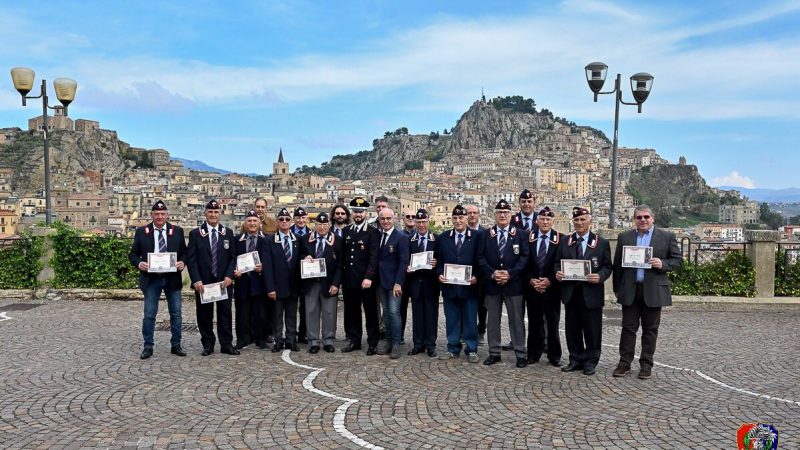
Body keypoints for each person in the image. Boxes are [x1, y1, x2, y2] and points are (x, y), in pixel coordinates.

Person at [612, 205, 682, 379]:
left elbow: (678, 262)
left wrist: (663, 264)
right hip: (630, 289)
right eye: (639, 217)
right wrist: (617, 290)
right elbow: (617, 266)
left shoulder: (666, 237)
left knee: (650, 330)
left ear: (653, 218)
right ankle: (624, 363)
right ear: (634, 220)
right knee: (628, 329)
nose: (642, 220)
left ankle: (646, 365)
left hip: (654, 290)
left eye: (646, 217)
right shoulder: (625, 237)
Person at [555, 206, 613, 376]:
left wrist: (600, 276)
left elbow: (607, 267)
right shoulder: (565, 241)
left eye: (582, 219)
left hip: (591, 292)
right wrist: (557, 273)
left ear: (590, 221)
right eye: (576, 220)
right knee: (572, 329)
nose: (579, 223)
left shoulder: (601, 243)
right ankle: (575, 359)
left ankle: (590, 361)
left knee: (592, 330)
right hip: (571, 292)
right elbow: (557, 263)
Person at [128, 200, 187, 360]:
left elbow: (184, 253)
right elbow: (133, 254)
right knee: (149, 314)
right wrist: (139, 263)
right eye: (157, 214)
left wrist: (183, 262)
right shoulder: (142, 231)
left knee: (176, 314)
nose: (160, 217)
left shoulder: (178, 231)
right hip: (151, 279)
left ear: (167, 215)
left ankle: (176, 345)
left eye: (162, 214)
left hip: (172, 278)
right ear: (152, 215)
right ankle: (148, 346)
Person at [477, 199, 530, 368]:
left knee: (516, 321)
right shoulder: (486, 235)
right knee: (492, 320)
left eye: (505, 212)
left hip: (513, 285)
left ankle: (520, 353)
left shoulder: (521, 234)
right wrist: (492, 273)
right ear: (494, 215)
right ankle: (494, 352)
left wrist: (510, 273)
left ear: (510, 215)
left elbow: (525, 258)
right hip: (492, 285)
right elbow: (480, 257)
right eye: (499, 212)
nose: (502, 215)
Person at [186, 200, 238, 356]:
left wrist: (229, 276)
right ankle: (208, 344)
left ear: (220, 214)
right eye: (210, 212)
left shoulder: (227, 233)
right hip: (204, 282)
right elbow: (191, 259)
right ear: (205, 213)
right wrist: (196, 280)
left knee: (225, 313)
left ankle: (226, 344)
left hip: (224, 282)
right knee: (204, 314)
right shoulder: (196, 234)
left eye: (216, 212)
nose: (213, 215)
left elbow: (233, 258)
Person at [436, 205, 482, 363]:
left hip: (469, 287)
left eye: (461, 218)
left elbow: (480, 260)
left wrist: (477, 277)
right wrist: (439, 274)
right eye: (455, 218)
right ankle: (452, 347)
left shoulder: (477, 237)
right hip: (450, 287)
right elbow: (439, 261)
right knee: (452, 319)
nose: (458, 221)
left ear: (466, 218)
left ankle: (471, 349)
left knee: (470, 320)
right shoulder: (443, 237)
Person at [340, 197, 381, 356]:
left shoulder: (373, 232)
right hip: (350, 279)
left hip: (366, 280)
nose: (358, 214)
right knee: (352, 311)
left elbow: (373, 257)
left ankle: (372, 342)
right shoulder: (346, 231)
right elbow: (344, 256)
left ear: (366, 213)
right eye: (355, 211)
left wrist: (369, 277)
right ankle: (355, 341)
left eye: (361, 211)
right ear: (352, 212)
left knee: (370, 312)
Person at [525, 206, 564, 366]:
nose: (545, 222)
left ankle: (554, 356)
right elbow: (523, 263)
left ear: (553, 221)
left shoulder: (561, 239)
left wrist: (549, 280)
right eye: (542, 219)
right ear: (537, 221)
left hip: (552, 289)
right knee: (534, 323)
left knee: (553, 324)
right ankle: (533, 354)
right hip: (533, 287)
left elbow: (561, 264)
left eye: (548, 219)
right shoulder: (529, 238)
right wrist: (531, 280)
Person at [299, 212, 342, 353]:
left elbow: (341, 265)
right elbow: (299, 255)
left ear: (329, 225)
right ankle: (313, 341)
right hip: (311, 282)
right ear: (314, 225)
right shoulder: (305, 239)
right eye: (319, 224)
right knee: (311, 311)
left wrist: (336, 284)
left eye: (325, 224)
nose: (322, 227)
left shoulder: (337, 240)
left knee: (329, 312)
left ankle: (328, 340)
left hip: (329, 283)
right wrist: (305, 257)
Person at [263, 208, 302, 353]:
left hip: (293, 285)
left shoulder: (297, 239)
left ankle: (291, 340)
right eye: (281, 219)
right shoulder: (269, 241)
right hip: (277, 286)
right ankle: (278, 341)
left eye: (287, 219)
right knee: (277, 316)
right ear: (277, 222)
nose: (284, 222)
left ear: (291, 222)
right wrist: (270, 288)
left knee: (292, 315)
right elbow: (267, 267)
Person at [375, 207, 410, 359]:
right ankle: (388, 340)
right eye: (383, 219)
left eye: (388, 218)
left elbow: (403, 262)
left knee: (395, 313)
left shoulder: (401, 237)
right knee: (387, 313)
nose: (386, 221)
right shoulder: (377, 236)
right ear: (379, 220)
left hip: (394, 282)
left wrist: (398, 283)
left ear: (394, 219)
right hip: (380, 282)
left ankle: (396, 343)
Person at [232, 210, 269, 350]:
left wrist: (263, 267)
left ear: (260, 223)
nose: (252, 223)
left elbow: (270, 260)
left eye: (255, 221)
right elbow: (232, 258)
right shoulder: (237, 239)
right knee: (242, 313)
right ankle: (242, 339)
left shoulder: (266, 239)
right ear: (245, 223)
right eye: (249, 221)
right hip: (243, 281)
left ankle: (261, 339)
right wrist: (235, 270)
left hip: (259, 282)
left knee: (261, 313)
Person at [406, 209, 440, 357]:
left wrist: (436, 263)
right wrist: (408, 267)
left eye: (424, 222)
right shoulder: (409, 240)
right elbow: (405, 259)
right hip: (415, 283)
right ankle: (418, 344)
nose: (421, 225)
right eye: (418, 222)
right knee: (417, 315)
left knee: (431, 315)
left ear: (428, 221)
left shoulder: (436, 240)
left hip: (431, 283)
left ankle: (431, 345)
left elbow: (442, 259)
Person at [466, 205, 488, 344]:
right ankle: (467, 331)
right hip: (465, 275)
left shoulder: (485, 233)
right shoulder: (461, 231)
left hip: (481, 276)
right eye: (470, 213)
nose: (472, 215)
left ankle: (481, 331)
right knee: (466, 305)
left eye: (475, 213)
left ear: (479, 215)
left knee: (482, 306)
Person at [290, 206, 311, 343]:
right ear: (294, 219)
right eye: (298, 217)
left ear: (307, 219)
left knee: (305, 306)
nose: (301, 220)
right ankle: (291, 333)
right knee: (290, 306)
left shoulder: (311, 233)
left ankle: (303, 332)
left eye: (303, 217)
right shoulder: (287, 231)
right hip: (291, 274)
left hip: (305, 275)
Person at [398, 209, 416, 345]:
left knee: (418, 309)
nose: (411, 218)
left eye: (413, 216)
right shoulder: (398, 236)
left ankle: (419, 339)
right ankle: (399, 336)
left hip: (417, 278)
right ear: (403, 219)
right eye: (408, 216)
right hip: (402, 278)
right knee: (400, 309)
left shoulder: (422, 235)